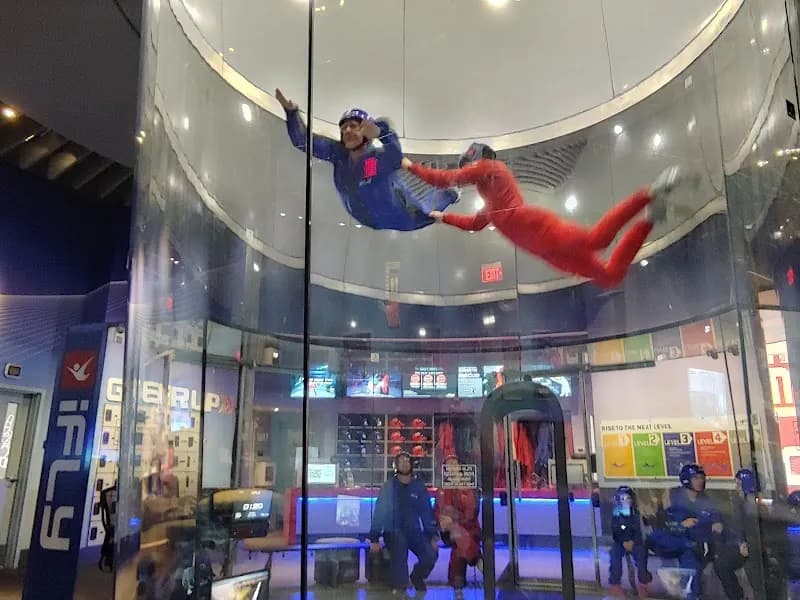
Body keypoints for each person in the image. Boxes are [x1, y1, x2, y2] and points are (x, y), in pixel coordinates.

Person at [402, 144, 700, 289]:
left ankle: (649, 192)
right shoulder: (491, 203)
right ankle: (650, 216)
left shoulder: (491, 169)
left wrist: (408, 165)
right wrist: (442, 218)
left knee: (598, 239)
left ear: (475, 159)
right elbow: (474, 225)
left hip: (539, 228)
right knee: (609, 276)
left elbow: (444, 179)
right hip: (544, 249)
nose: (468, 170)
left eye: (468, 164)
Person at [275, 89, 459, 231]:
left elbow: (395, 153)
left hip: (401, 214)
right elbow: (301, 142)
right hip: (369, 220)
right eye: (344, 128)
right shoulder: (337, 154)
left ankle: (453, 191)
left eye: (353, 126)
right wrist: (291, 112)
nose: (347, 131)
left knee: (431, 213)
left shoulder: (379, 159)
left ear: (366, 133)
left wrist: (380, 131)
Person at [647, 464, 724, 600]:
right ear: (687, 480)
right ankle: (689, 593)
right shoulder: (673, 496)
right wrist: (681, 525)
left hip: (701, 543)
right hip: (679, 542)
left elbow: (716, 523)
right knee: (690, 566)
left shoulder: (706, 500)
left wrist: (709, 525)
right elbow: (665, 523)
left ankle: (690, 591)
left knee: (695, 566)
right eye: (695, 478)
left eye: (701, 478)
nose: (700, 481)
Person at [369, 451, 439, 591]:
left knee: (430, 554)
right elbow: (380, 511)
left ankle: (417, 576)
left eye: (407, 461)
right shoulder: (389, 486)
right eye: (400, 462)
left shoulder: (418, 486)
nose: (404, 464)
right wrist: (374, 538)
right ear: (395, 466)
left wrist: (432, 535)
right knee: (400, 547)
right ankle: (401, 587)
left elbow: (426, 511)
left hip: (414, 531)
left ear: (411, 465)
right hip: (393, 530)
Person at [434, 455, 482, 596]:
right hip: (449, 531)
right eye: (448, 466)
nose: (452, 468)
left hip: (469, 529)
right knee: (457, 535)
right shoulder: (443, 489)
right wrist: (442, 521)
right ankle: (476, 559)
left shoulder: (469, 488)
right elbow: (437, 510)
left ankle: (457, 585)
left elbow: (470, 514)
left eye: (454, 465)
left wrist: (454, 519)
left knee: (459, 548)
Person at [608, 485, 652, 597]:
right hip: (621, 542)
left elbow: (639, 530)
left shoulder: (637, 514)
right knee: (614, 555)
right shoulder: (616, 515)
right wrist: (623, 542)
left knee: (641, 555)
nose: (625, 501)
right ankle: (615, 584)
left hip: (636, 542)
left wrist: (633, 541)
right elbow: (615, 532)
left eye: (628, 498)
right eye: (622, 499)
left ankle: (643, 584)